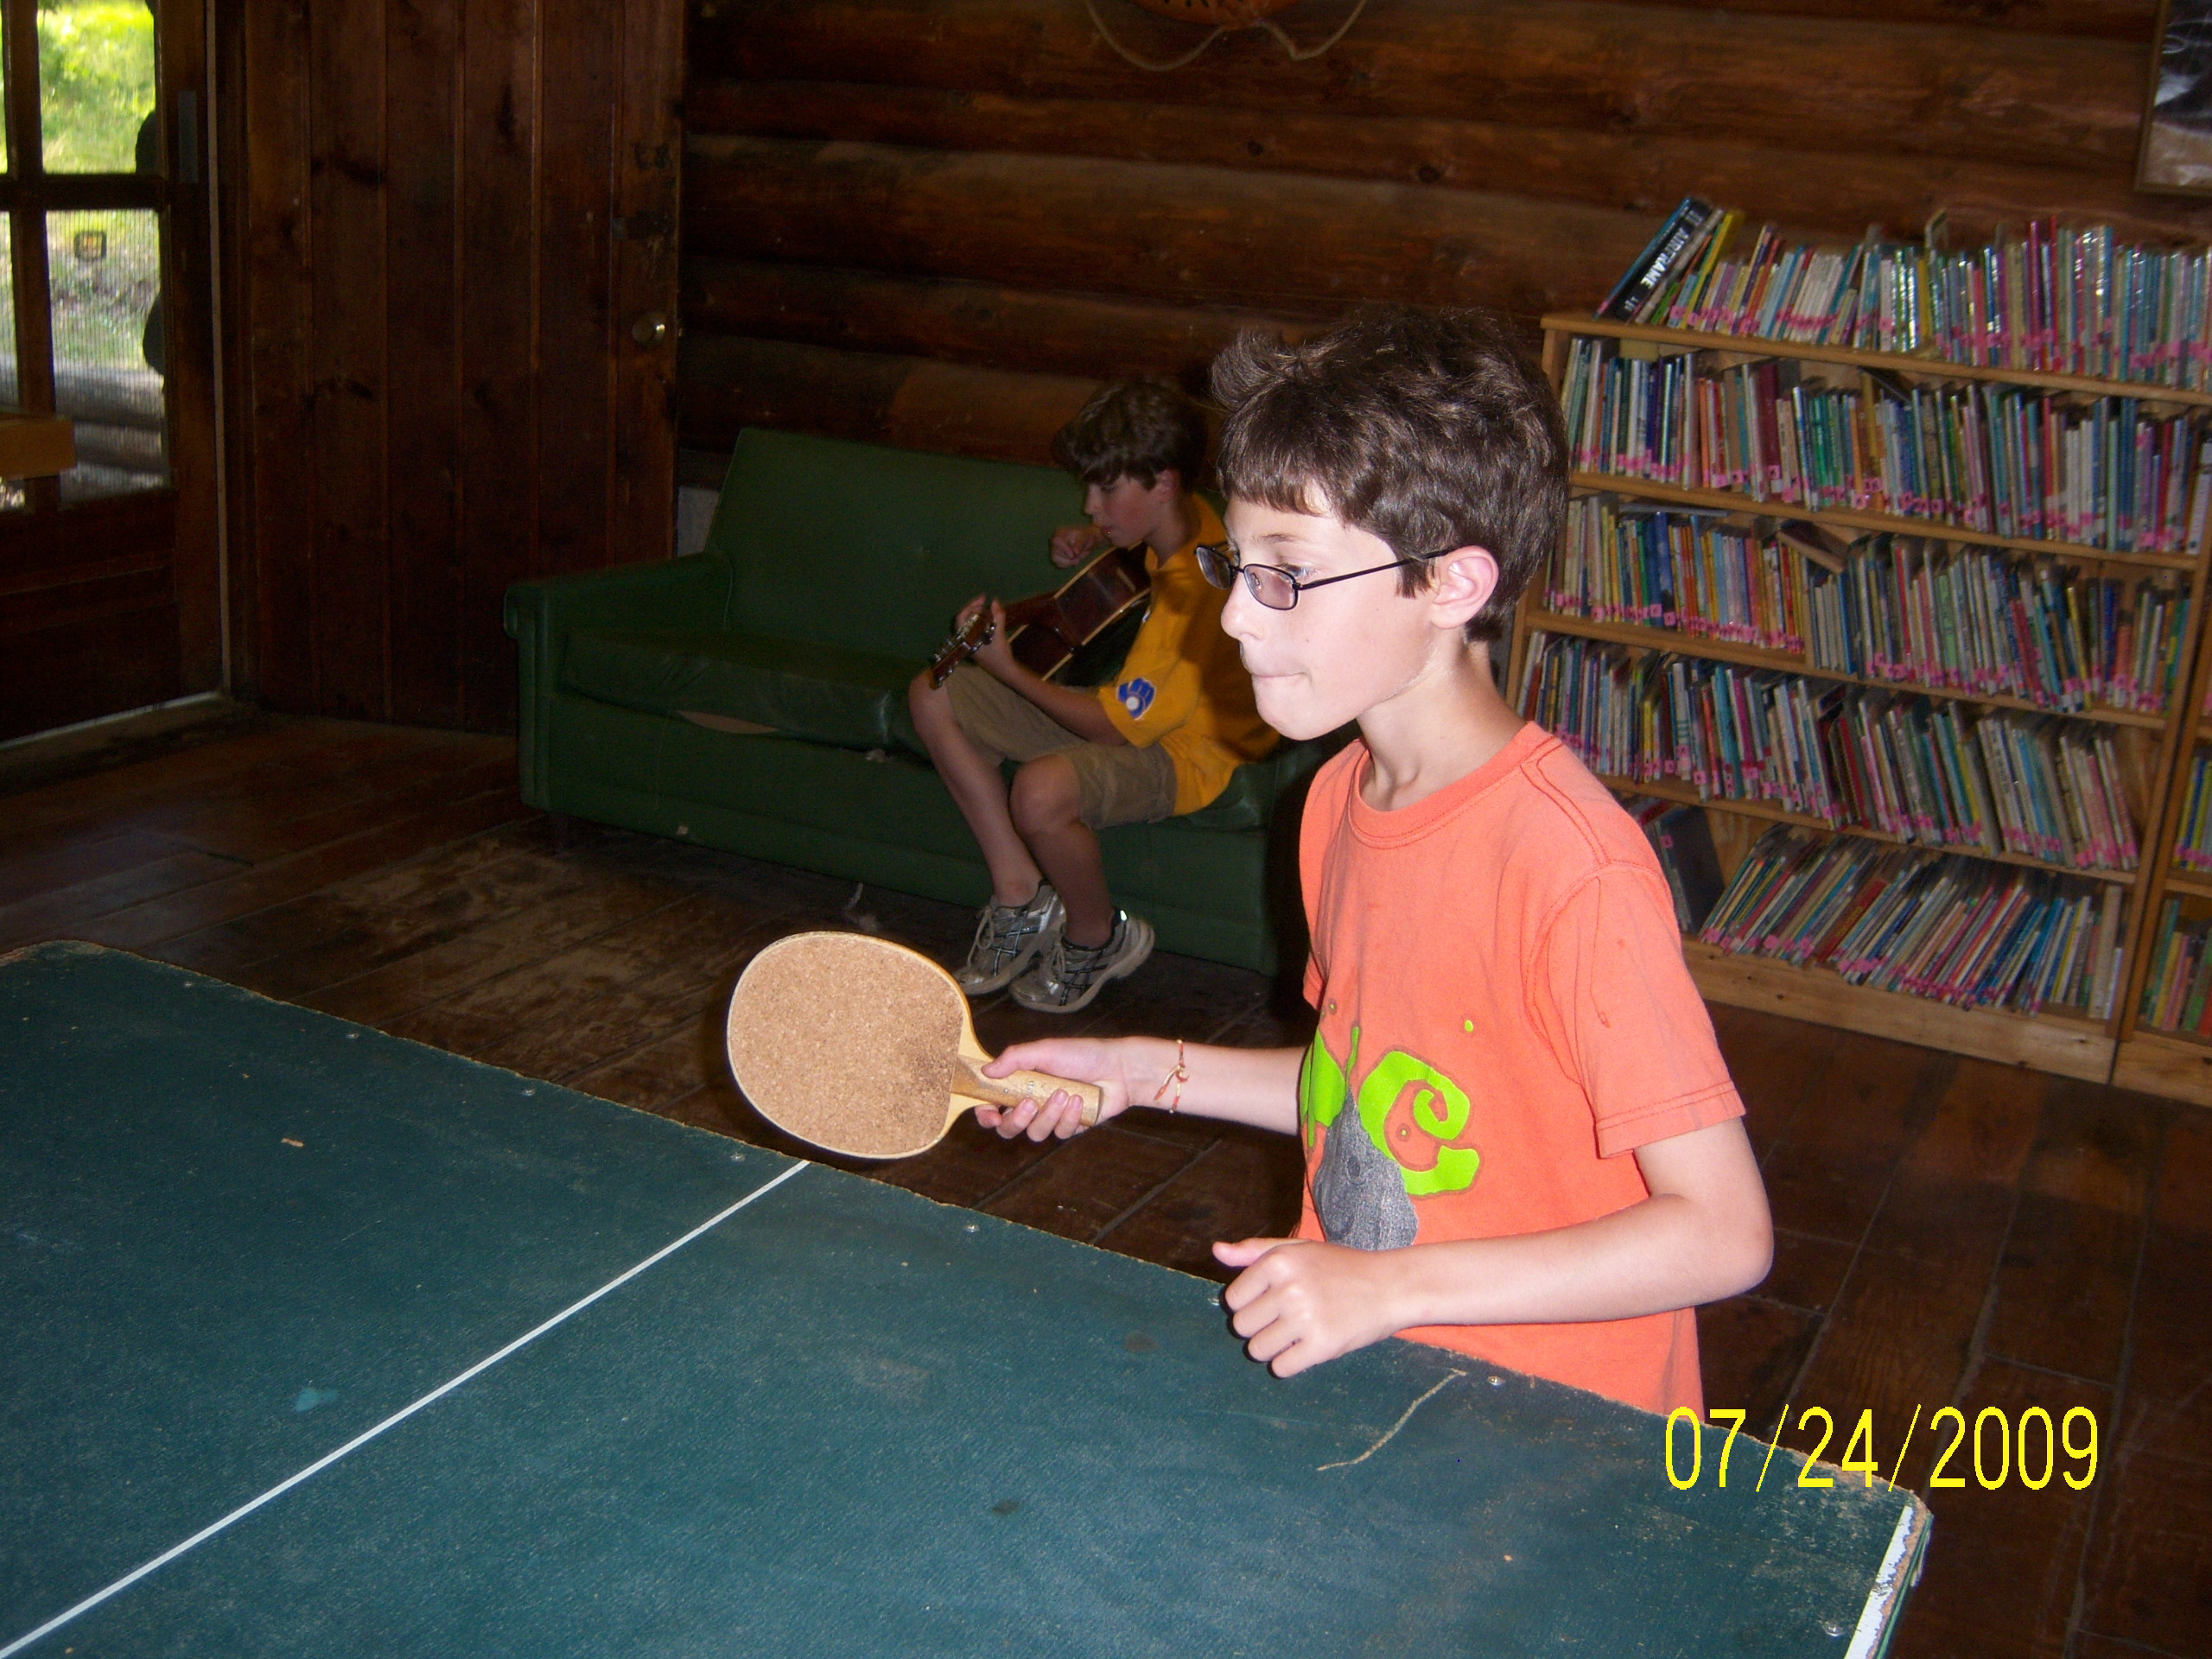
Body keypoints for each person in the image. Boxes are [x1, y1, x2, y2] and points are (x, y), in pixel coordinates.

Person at [971, 309, 1772, 1416]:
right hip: (1386, 1376)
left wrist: (1391, 1287)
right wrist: (1139, 1070)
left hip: (1557, 1427)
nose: (1235, 620)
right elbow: (1365, 1090)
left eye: (1287, 575)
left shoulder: (1571, 866)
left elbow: (1722, 1234)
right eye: (1236, 565)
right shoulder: (1339, 800)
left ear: (1450, 586)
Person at [909, 381, 1277, 1014]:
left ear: (1163, 482)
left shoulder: (1199, 592)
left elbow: (1112, 728)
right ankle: (1021, 894)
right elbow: (1154, 539)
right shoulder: (1187, 517)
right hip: (1141, 717)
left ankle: (1096, 937)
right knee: (933, 692)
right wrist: (1098, 536)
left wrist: (1008, 670)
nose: (1091, 503)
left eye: (1106, 491)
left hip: (1187, 754)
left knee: (1040, 793)